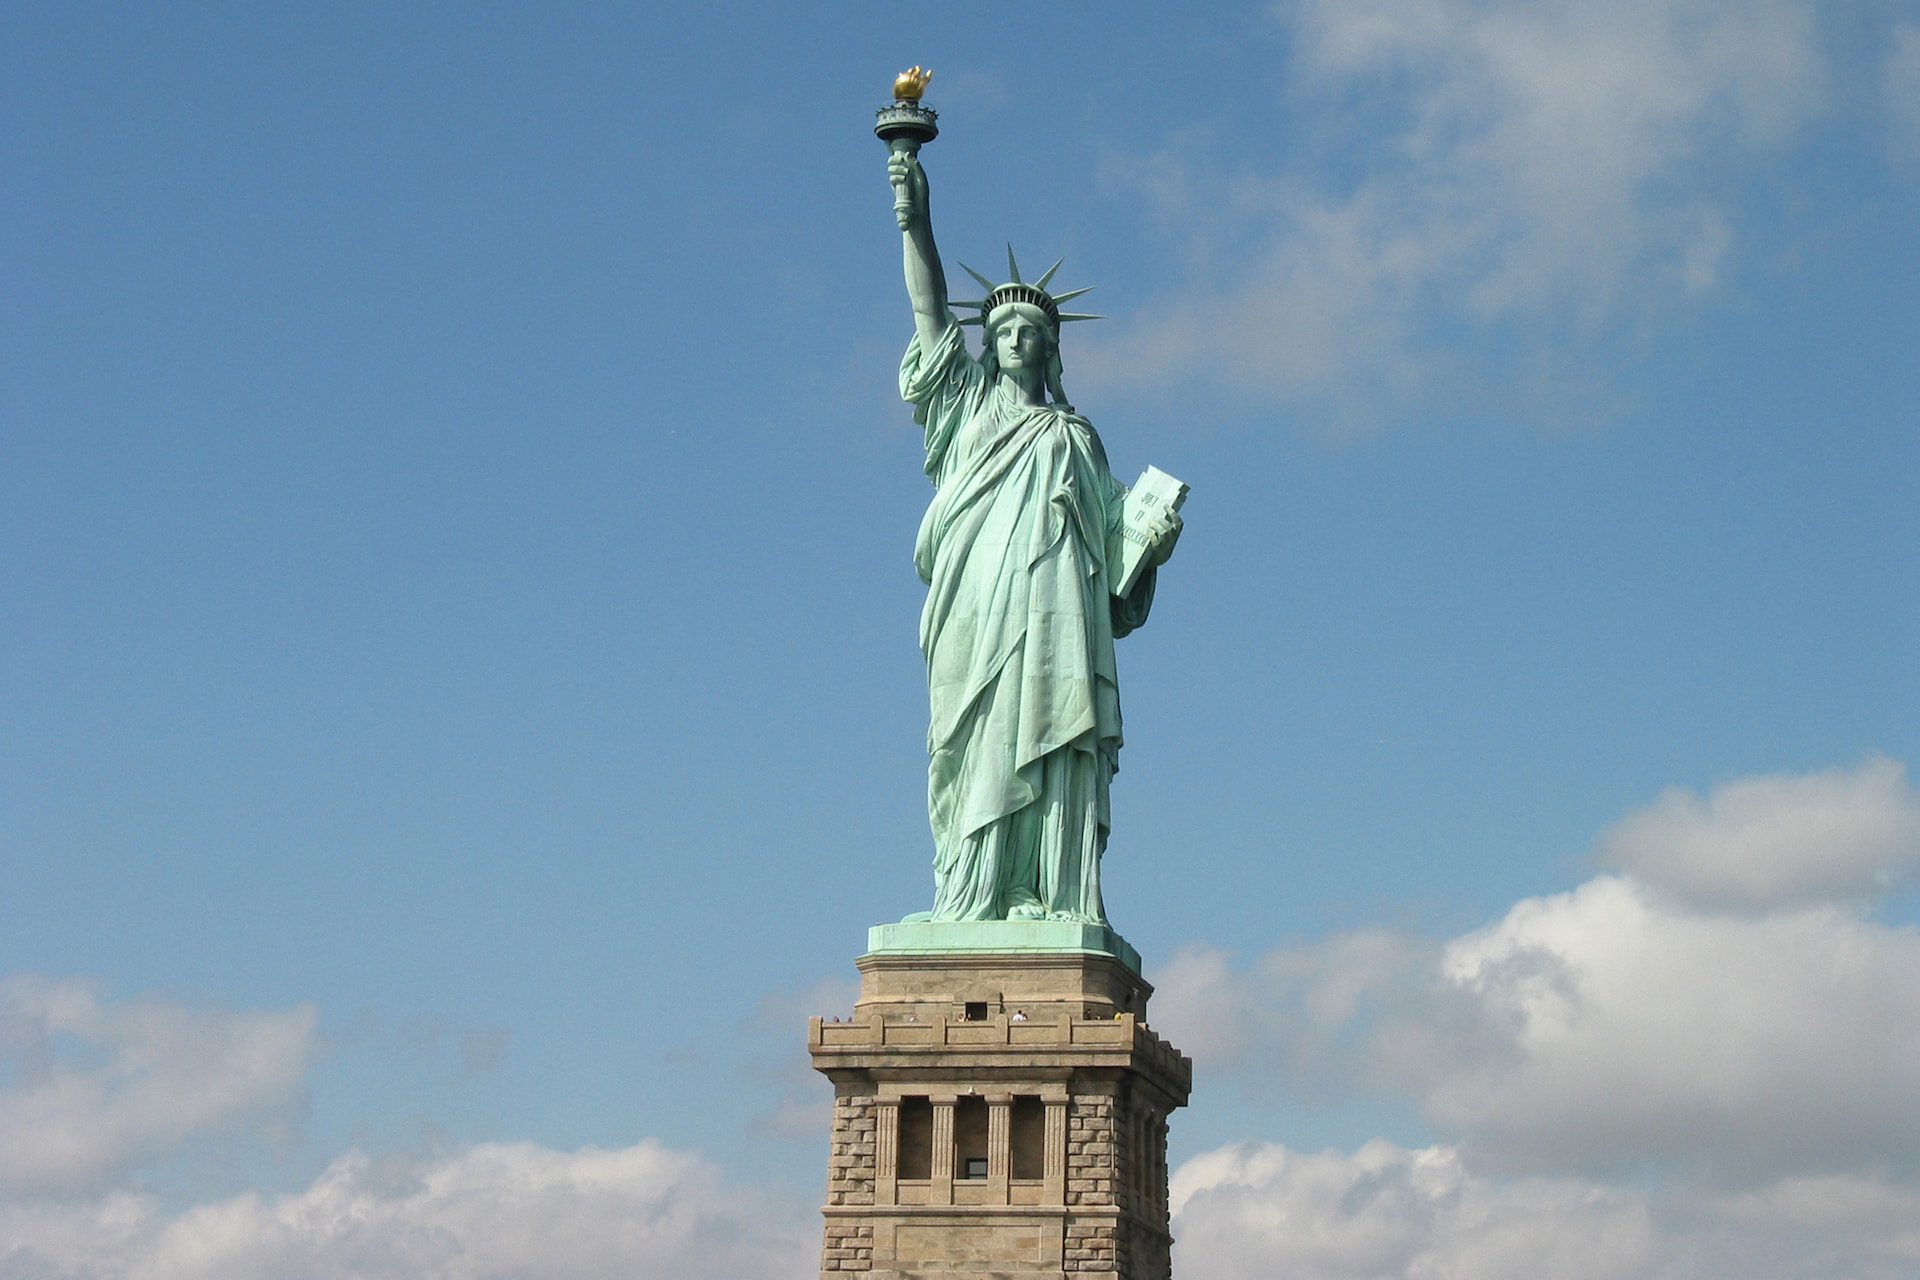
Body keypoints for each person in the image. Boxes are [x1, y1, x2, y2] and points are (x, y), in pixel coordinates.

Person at [887, 145, 1181, 925]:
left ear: (1053, 348)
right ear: (987, 344)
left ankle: (1050, 892)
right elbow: (928, 305)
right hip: (978, 602)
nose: (1017, 339)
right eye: (1005, 329)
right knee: (976, 735)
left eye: (1032, 331)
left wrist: (1152, 542)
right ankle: (972, 894)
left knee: (1051, 739)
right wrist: (915, 220)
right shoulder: (965, 408)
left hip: (1057, 615)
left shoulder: (1077, 437)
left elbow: (1117, 558)